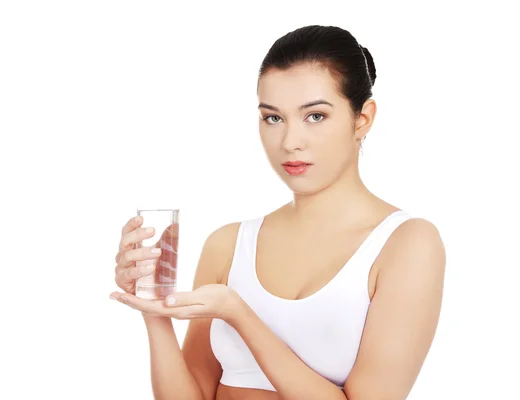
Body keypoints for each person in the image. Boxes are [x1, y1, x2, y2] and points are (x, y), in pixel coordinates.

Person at [111, 24, 446, 400]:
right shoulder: (228, 244)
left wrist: (240, 314)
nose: (289, 142)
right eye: (273, 118)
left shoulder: (405, 244)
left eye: (315, 116)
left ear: (362, 118)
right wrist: (155, 310)